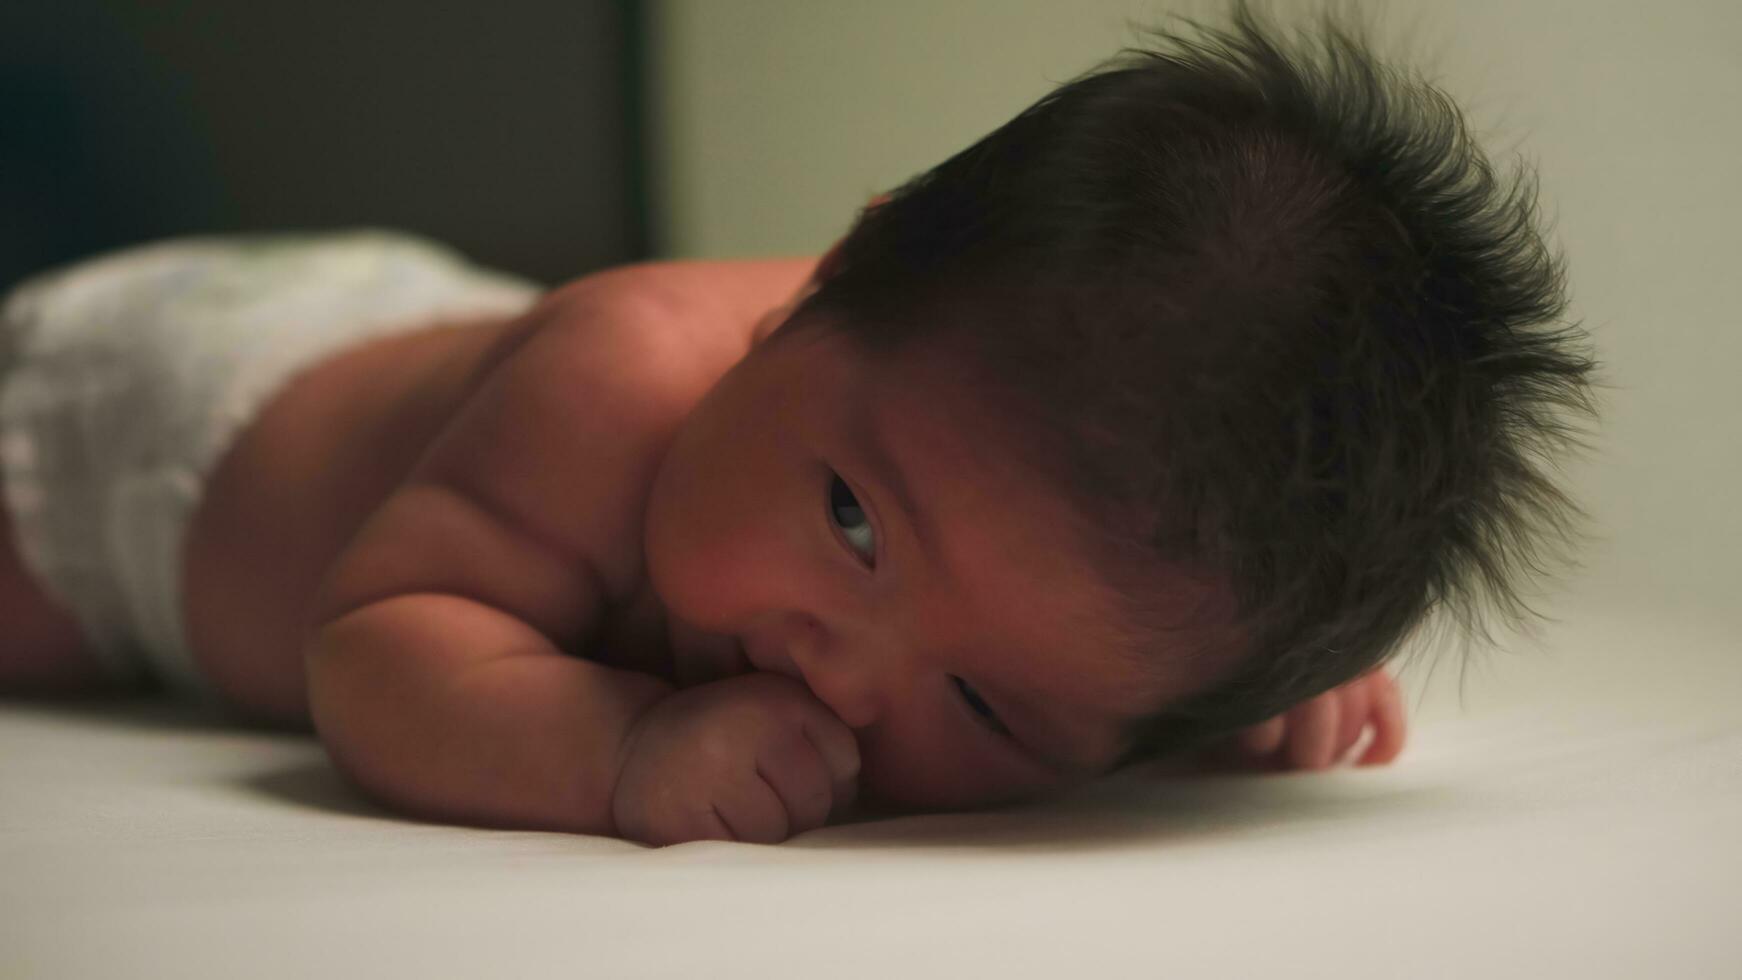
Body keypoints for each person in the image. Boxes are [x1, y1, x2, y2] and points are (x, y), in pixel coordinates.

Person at [0, 2, 1595, 844]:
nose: (842, 671)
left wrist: (1235, 680)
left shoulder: (952, 438)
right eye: (852, 522)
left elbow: (1132, 638)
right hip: (151, 425)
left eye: (986, 701)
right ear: (829, 269)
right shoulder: (618, 374)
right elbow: (378, 645)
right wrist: (614, 748)